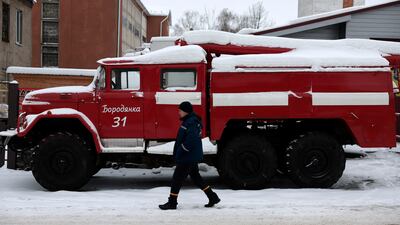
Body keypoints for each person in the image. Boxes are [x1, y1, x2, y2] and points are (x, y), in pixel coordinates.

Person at [159, 101, 220, 210]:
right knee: (196, 178)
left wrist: (182, 150)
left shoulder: (190, 122)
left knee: (176, 179)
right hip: (190, 156)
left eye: (180, 110)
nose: (179, 112)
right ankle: (212, 197)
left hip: (187, 156)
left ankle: (172, 202)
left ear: (185, 111)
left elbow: (190, 140)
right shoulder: (190, 121)